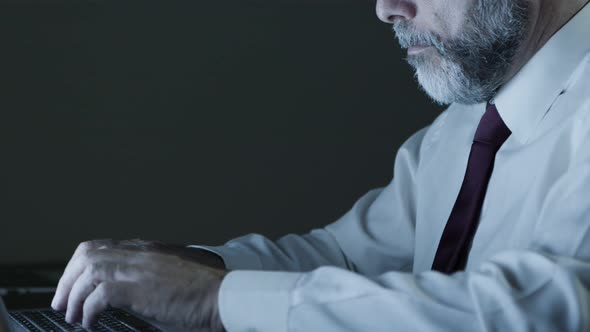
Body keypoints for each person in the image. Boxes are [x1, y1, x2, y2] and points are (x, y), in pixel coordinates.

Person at [51, 0, 590, 330]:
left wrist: (217, 302)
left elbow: (546, 314)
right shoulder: (459, 129)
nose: (386, 7)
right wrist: (190, 273)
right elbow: (347, 261)